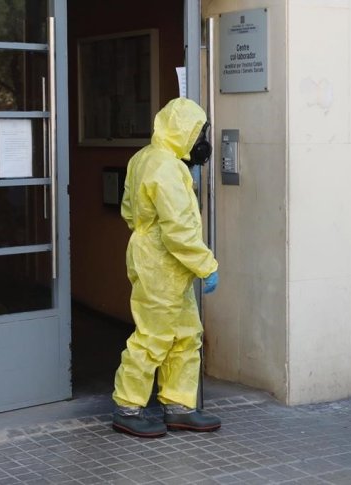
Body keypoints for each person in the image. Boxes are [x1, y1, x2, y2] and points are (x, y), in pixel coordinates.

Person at [111, 97, 221, 438]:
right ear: (183, 130)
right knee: (153, 336)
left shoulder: (145, 157)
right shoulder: (166, 169)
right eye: (198, 133)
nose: (200, 141)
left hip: (161, 260)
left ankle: (178, 406)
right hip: (162, 263)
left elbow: (129, 210)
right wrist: (206, 265)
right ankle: (128, 408)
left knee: (186, 334)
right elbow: (179, 229)